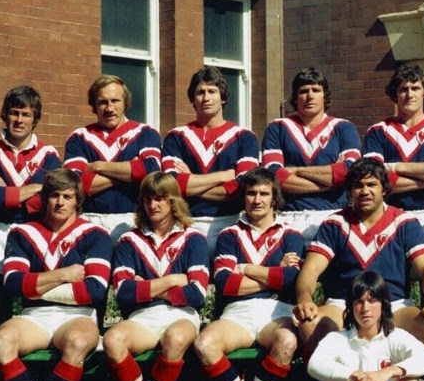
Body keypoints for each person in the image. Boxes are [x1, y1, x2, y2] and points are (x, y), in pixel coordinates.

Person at [293, 157, 424, 381]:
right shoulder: (335, 223)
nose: (364, 191)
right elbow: (310, 270)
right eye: (358, 185)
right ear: (349, 190)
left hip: (393, 303)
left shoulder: (404, 221)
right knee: (310, 323)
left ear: (384, 189)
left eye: (372, 184)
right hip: (345, 302)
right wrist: (304, 299)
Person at [0, 168, 112, 381]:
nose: (60, 202)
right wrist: (64, 275)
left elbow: (93, 291)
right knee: (0, 341)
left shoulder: (95, 235)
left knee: (79, 342)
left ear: (77, 201)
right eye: (54, 195)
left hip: (79, 315)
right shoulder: (23, 232)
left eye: (67, 196)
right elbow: (13, 283)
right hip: (35, 315)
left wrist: (37, 283)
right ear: (44, 199)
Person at [194, 167, 304, 381]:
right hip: (237, 312)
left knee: (287, 341)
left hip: (277, 309)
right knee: (205, 344)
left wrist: (246, 269)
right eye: (251, 193)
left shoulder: (290, 234)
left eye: (264, 193)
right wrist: (273, 273)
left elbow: (291, 279)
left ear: (274, 198)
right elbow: (225, 284)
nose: (257, 199)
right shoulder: (230, 235)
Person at [103, 172, 209, 381]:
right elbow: (123, 292)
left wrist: (146, 286)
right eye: (148, 199)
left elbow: (197, 294)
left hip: (182, 314)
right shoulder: (129, 240)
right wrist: (173, 280)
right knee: (113, 340)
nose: (153, 205)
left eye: (161, 198)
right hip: (143, 316)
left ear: (173, 202)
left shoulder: (193, 239)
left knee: (175, 339)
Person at [0, 85, 61, 330]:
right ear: (4, 114)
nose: (19, 120)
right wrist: (33, 188)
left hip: (35, 233)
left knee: (34, 312)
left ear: (35, 119)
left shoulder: (48, 154)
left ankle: (27, 366)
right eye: (14, 113)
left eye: (25, 114)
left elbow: (50, 201)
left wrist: (8, 190)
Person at [161, 66, 260, 257]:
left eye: (212, 91)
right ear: (192, 99)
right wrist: (223, 176)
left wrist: (190, 180)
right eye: (200, 92)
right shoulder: (177, 136)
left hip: (230, 223)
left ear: (223, 98)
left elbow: (240, 190)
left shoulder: (244, 137)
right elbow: (171, 187)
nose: (206, 98)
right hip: (186, 223)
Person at [362, 63, 424, 242]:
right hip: (391, 215)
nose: (409, 94)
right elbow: (373, 180)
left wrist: (394, 167)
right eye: (403, 89)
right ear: (395, 94)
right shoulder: (377, 131)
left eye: (415, 88)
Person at [261, 67, 362, 242]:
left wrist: (295, 170)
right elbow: (274, 175)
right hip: (289, 216)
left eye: (316, 90)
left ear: (325, 96)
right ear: (295, 97)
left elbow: (348, 172)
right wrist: (330, 181)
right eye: (303, 91)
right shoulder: (277, 127)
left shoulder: (343, 127)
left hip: (335, 214)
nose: (310, 96)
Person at [64, 75, 162, 243]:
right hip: (89, 220)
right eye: (103, 102)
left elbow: (151, 170)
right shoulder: (79, 137)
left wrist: (97, 166)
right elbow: (77, 184)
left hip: (133, 220)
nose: (109, 108)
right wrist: (131, 172)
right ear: (94, 105)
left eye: (115, 101)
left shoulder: (145, 132)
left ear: (126, 103)